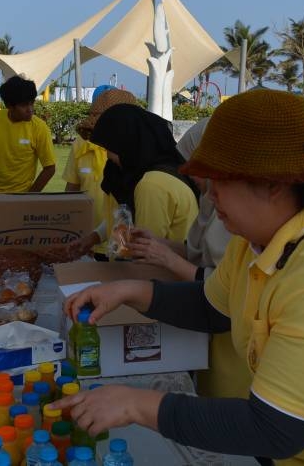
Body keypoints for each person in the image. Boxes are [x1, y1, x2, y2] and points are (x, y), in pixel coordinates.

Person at [49, 90, 304, 464]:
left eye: (219, 182)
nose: (209, 197)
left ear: (272, 185)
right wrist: (130, 290)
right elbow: (213, 307)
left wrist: (138, 405)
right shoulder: (254, 240)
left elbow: (275, 428)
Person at [124, 117, 248, 399]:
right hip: (213, 333)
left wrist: (166, 259)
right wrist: (162, 245)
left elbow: (223, 285)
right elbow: (199, 253)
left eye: (197, 165)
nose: (187, 173)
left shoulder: (241, 214)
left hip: (237, 344)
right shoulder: (210, 200)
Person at [75, 103, 198, 250]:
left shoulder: (152, 185)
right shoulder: (142, 175)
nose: (108, 155)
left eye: (110, 148)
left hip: (155, 272)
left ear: (128, 143)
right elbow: (121, 220)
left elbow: (144, 251)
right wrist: (93, 237)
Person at [64, 87, 137, 259]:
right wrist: (91, 238)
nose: (105, 150)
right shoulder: (114, 168)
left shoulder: (148, 177)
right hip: (107, 248)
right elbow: (119, 214)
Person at [0, 76, 55, 193]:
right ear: (9, 105)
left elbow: (50, 168)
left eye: (32, 103)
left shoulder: (40, 128)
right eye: (24, 105)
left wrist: (30, 196)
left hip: (19, 195)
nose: (30, 109)